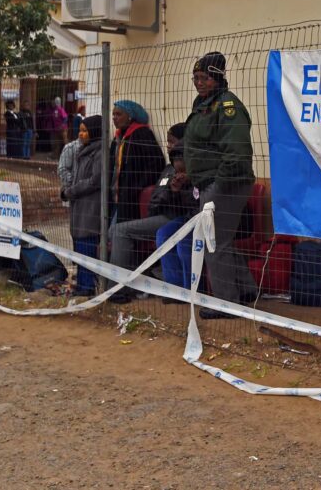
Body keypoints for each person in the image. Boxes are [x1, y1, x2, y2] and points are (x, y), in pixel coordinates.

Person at [183, 52, 258, 319]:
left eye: (204, 78)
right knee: (222, 240)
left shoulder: (227, 106)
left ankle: (227, 304)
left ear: (217, 78)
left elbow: (236, 151)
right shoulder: (205, 105)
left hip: (226, 184)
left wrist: (218, 186)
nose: (199, 83)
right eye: (195, 78)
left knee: (214, 243)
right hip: (210, 182)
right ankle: (246, 289)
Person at [109, 128, 197, 304]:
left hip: (175, 217)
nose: (169, 146)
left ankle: (119, 288)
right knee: (114, 231)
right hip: (161, 213)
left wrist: (174, 192)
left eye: (173, 142)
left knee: (120, 231)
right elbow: (156, 199)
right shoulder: (168, 169)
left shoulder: (194, 171)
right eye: (168, 142)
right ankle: (133, 281)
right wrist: (170, 191)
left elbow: (191, 203)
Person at [61, 115, 103, 296]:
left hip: (90, 206)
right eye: (80, 130)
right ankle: (82, 283)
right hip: (79, 206)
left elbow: (95, 180)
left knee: (87, 244)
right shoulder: (82, 150)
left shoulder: (99, 152)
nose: (81, 134)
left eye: (85, 131)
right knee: (79, 244)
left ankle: (87, 286)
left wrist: (72, 191)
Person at [109, 99, 165, 225]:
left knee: (118, 232)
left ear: (130, 116)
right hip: (116, 195)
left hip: (131, 197)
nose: (114, 118)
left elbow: (156, 163)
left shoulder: (141, 134)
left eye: (119, 114)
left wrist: (138, 187)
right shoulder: (118, 137)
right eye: (113, 114)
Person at [57, 134, 81, 206]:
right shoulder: (70, 148)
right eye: (81, 130)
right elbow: (62, 170)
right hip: (72, 195)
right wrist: (75, 184)